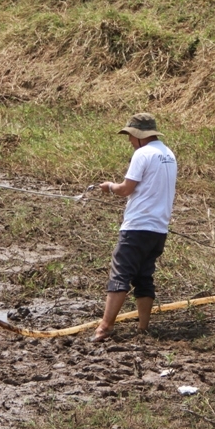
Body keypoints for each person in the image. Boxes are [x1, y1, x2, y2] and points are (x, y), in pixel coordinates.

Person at [92, 113, 177, 342]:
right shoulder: (168, 154)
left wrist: (109, 186)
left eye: (130, 135)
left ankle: (104, 327)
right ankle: (143, 328)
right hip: (159, 229)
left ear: (139, 136)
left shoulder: (142, 154)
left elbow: (126, 189)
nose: (130, 140)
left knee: (120, 275)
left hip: (137, 226)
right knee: (144, 276)